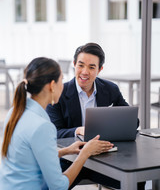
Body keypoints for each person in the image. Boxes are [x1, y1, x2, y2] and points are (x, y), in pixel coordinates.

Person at [0, 57, 114, 190]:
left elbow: (29, 157)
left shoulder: (15, 111)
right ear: (52, 85)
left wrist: (66, 151)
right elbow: (59, 187)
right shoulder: (42, 126)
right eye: (61, 80)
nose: (63, 85)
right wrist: (85, 153)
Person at [46, 43, 145, 190]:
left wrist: (113, 123)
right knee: (50, 186)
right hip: (70, 159)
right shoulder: (58, 93)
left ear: (99, 70)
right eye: (81, 65)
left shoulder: (110, 89)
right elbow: (54, 133)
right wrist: (78, 130)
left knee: (137, 181)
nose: (84, 72)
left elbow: (133, 122)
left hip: (105, 159)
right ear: (74, 64)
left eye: (92, 67)